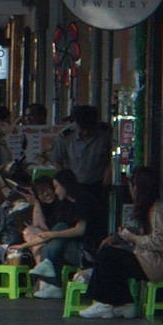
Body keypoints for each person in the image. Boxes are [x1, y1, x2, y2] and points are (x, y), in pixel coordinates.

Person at [77, 170, 163, 319]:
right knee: (111, 254)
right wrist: (133, 233)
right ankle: (123, 303)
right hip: (149, 259)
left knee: (108, 255)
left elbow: (162, 241)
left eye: (131, 186)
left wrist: (133, 238)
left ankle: (104, 302)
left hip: (155, 264)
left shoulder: (156, 212)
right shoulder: (151, 209)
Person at [18, 171, 84, 297]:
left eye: (53, 188)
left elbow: (76, 230)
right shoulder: (49, 206)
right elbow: (39, 226)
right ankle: (51, 282)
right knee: (34, 234)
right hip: (59, 245)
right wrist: (36, 203)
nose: (48, 193)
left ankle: (47, 275)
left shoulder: (74, 202)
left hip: (81, 251)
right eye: (40, 193)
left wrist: (52, 235)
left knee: (58, 229)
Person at [57, 105, 111, 247]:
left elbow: (112, 157)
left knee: (98, 221)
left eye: (89, 128)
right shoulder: (66, 136)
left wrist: (107, 176)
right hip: (75, 186)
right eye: (82, 128)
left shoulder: (106, 133)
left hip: (99, 184)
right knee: (77, 222)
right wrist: (66, 182)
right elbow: (57, 161)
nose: (86, 132)